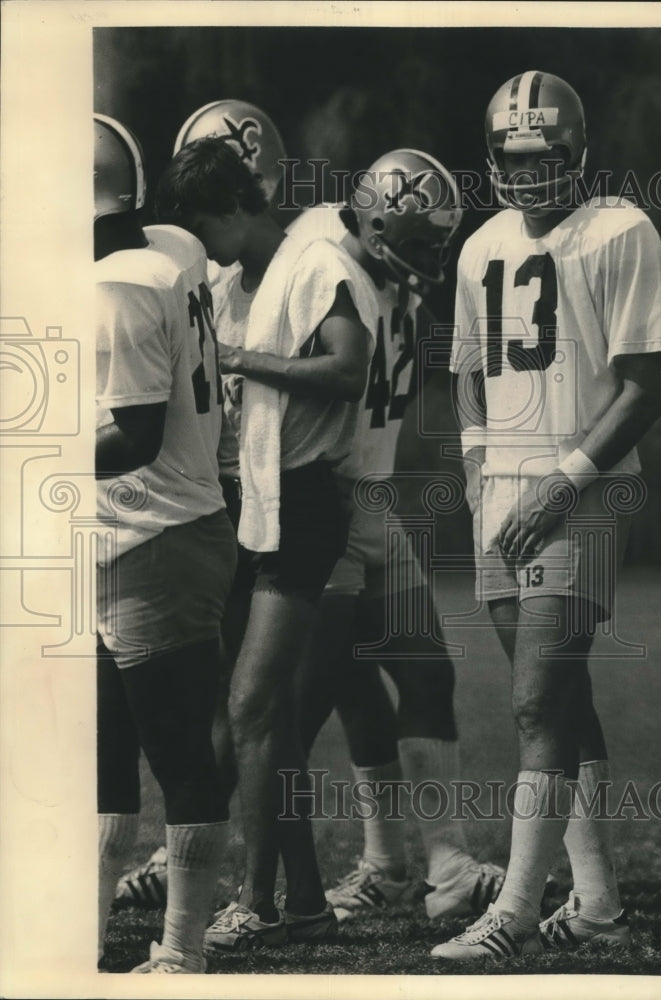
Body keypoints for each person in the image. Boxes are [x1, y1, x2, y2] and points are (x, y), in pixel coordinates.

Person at [431, 70, 661, 961]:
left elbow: (641, 387)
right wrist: (471, 463)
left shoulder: (620, 229)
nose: (530, 174)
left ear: (578, 154)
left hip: (581, 487)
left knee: (534, 701)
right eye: (514, 156)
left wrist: (561, 483)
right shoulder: (480, 241)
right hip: (500, 488)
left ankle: (518, 911)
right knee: (559, 700)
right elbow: (464, 368)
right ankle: (601, 904)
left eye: (546, 156)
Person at [156, 135, 379, 951]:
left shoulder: (316, 260)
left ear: (236, 211)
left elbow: (349, 368)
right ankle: (308, 905)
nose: (202, 246)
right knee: (260, 719)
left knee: (251, 708)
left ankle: (255, 900)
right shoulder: (225, 277)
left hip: (305, 502)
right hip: (245, 504)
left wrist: (245, 358)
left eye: (206, 226)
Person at [286, 151, 505, 922]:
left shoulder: (388, 280)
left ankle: (437, 864)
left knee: (425, 675)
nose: (431, 262)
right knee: (303, 704)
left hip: (372, 501)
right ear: (377, 223)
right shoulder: (318, 258)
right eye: (418, 244)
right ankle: (260, 883)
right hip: (324, 504)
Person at [114, 100, 290, 908]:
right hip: (215, 501)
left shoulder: (148, 265)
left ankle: (240, 903)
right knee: (226, 713)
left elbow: (137, 431)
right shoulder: (185, 256)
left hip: (206, 509)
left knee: (224, 718)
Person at [94, 114, 237, 973]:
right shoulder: (173, 245)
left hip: (159, 533)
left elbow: (136, 436)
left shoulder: (116, 282)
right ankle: (83, 932)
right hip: (136, 532)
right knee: (102, 749)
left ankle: (182, 953)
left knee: (176, 749)